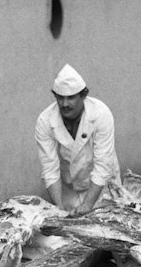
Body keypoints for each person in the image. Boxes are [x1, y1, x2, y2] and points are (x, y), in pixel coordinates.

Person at [34, 64, 121, 215]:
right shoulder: (45, 121)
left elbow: (102, 166)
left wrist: (87, 204)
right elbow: (50, 170)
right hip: (69, 190)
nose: (65, 104)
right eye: (60, 98)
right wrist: (59, 208)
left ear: (83, 95)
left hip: (103, 190)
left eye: (71, 98)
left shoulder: (101, 114)